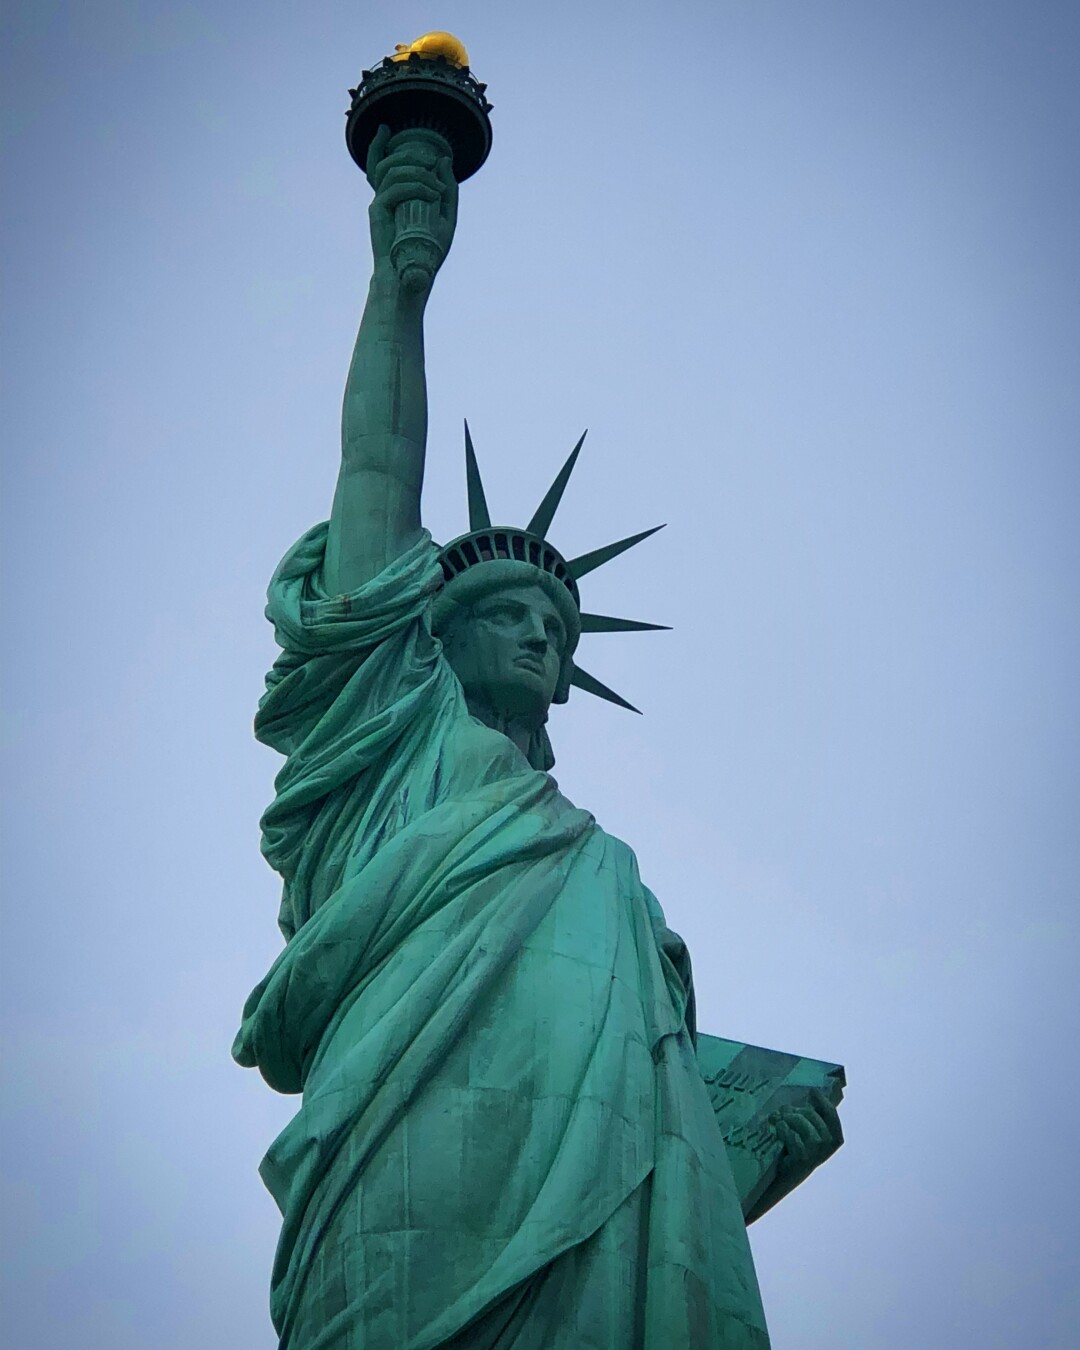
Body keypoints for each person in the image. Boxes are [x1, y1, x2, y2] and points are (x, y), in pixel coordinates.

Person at [234, 126, 835, 1349]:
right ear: (429, 637)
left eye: (554, 630)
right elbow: (375, 465)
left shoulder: (596, 867)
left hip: (603, 1193)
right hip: (407, 1150)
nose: (539, 642)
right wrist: (400, 275)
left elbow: (652, 1082)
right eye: (506, 616)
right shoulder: (391, 745)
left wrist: (736, 1125)